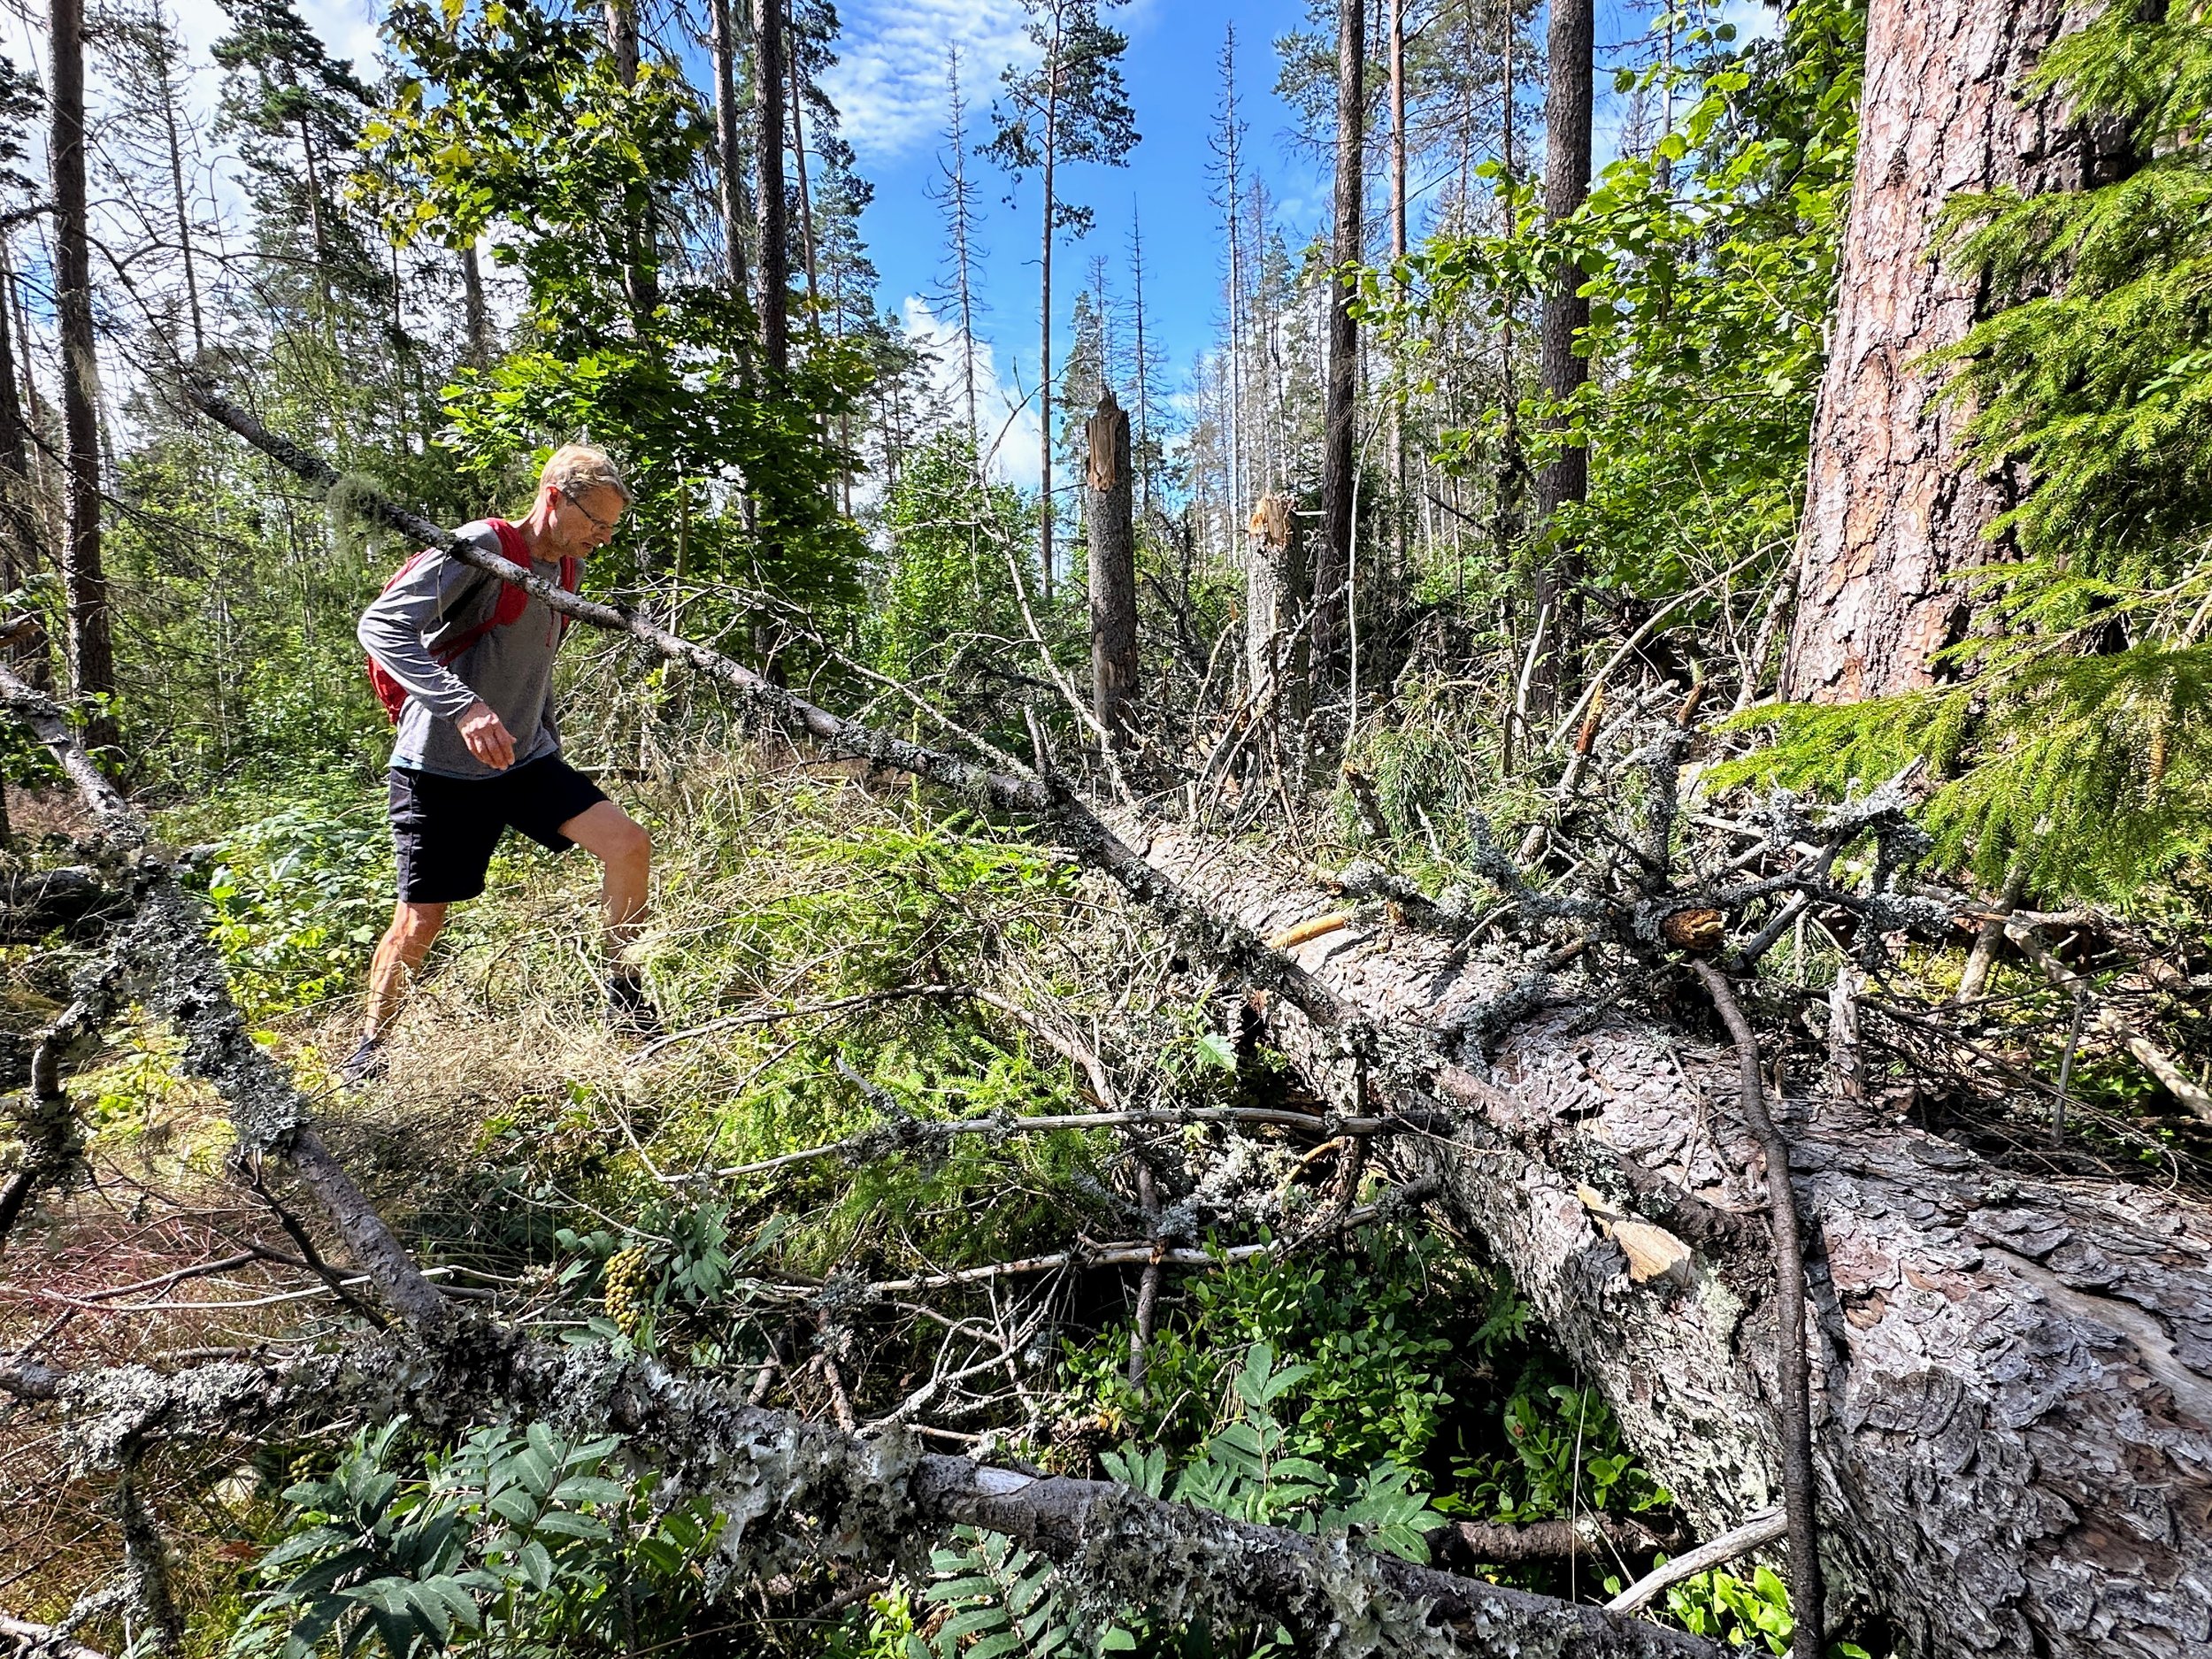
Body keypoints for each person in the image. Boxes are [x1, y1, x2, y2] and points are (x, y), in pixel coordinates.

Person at [343, 444, 656, 1084]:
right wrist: (463, 708)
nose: (601, 538)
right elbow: (380, 626)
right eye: (594, 522)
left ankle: (625, 998)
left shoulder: (567, 571)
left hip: (524, 762)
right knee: (421, 917)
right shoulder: (483, 544)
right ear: (553, 498)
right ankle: (367, 1051)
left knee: (628, 846)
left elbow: (533, 670)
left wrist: (547, 741)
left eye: (609, 528)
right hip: (438, 766)